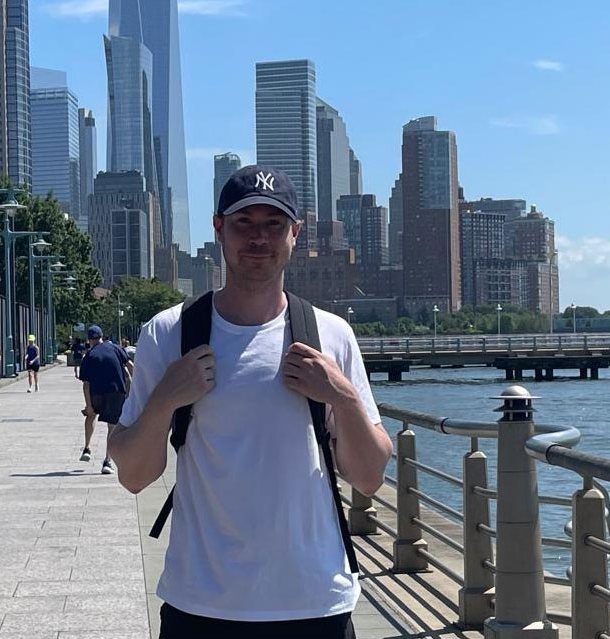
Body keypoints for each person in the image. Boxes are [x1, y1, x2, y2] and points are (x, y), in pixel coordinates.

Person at [108, 165, 393, 639]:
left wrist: (342, 397)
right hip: (201, 604)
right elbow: (134, 477)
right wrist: (164, 400)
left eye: (274, 224)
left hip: (315, 602)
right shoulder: (169, 333)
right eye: (244, 223)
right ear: (219, 228)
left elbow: (369, 476)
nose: (259, 238)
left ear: (295, 234)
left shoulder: (330, 335)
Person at [78, 325, 133, 474]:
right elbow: (130, 367)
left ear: (90, 340)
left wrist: (88, 406)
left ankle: (87, 448)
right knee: (112, 426)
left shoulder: (89, 356)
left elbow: (86, 385)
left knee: (91, 415)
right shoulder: (116, 348)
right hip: (116, 392)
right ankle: (107, 462)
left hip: (97, 393)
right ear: (102, 337)